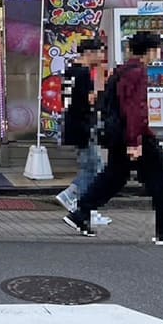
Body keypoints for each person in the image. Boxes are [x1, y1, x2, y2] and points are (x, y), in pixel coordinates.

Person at [63, 31, 163, 246]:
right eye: (158, 49)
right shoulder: (137, 73)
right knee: (161, 181)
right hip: (134, 135)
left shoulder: (122, 70)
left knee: (114, 177)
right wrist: (135, 141)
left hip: (118, 134)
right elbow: (134, 109)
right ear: (151, 51)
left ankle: (81, 212)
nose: (158, 54)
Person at [55, 38, 111, 226]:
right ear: (90, 53)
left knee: (93, 166)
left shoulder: (70, 70)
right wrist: (102, 85)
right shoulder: (85, 74)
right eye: (100, 52)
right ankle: (77, 201)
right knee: (94, 167)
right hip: (84, 125)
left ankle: (83, 205)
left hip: (72, 123)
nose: (102, 57)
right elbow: (90, 100)